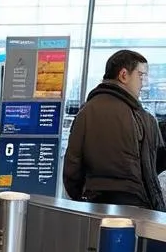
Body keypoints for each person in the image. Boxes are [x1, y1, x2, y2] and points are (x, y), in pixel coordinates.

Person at [64, 49, 166, 210]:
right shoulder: (143, 117)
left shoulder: (85, 112)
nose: (143, 83)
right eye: (141, 75)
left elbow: (72, 167)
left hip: (94, 203)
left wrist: (81, 197)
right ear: (124, 75)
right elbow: (152, 171)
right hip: (135, 206)